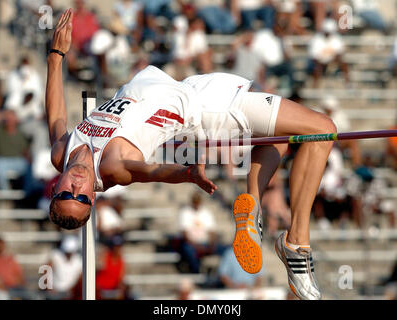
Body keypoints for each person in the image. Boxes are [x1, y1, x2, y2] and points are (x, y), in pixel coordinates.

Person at [46, 10, 337, 300]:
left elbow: (56, 114)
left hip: (189, 87)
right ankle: (297, 243)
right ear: (93, 198)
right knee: (323, 129)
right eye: (82, 198)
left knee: (280, 139)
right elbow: (150, 171)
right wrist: (187, 173)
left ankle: (254, 206)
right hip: (209, 109)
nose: (76, 189)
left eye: (67, 195)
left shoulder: (62, 153)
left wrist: (56, 56)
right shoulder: (110, 168)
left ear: (56, 188)